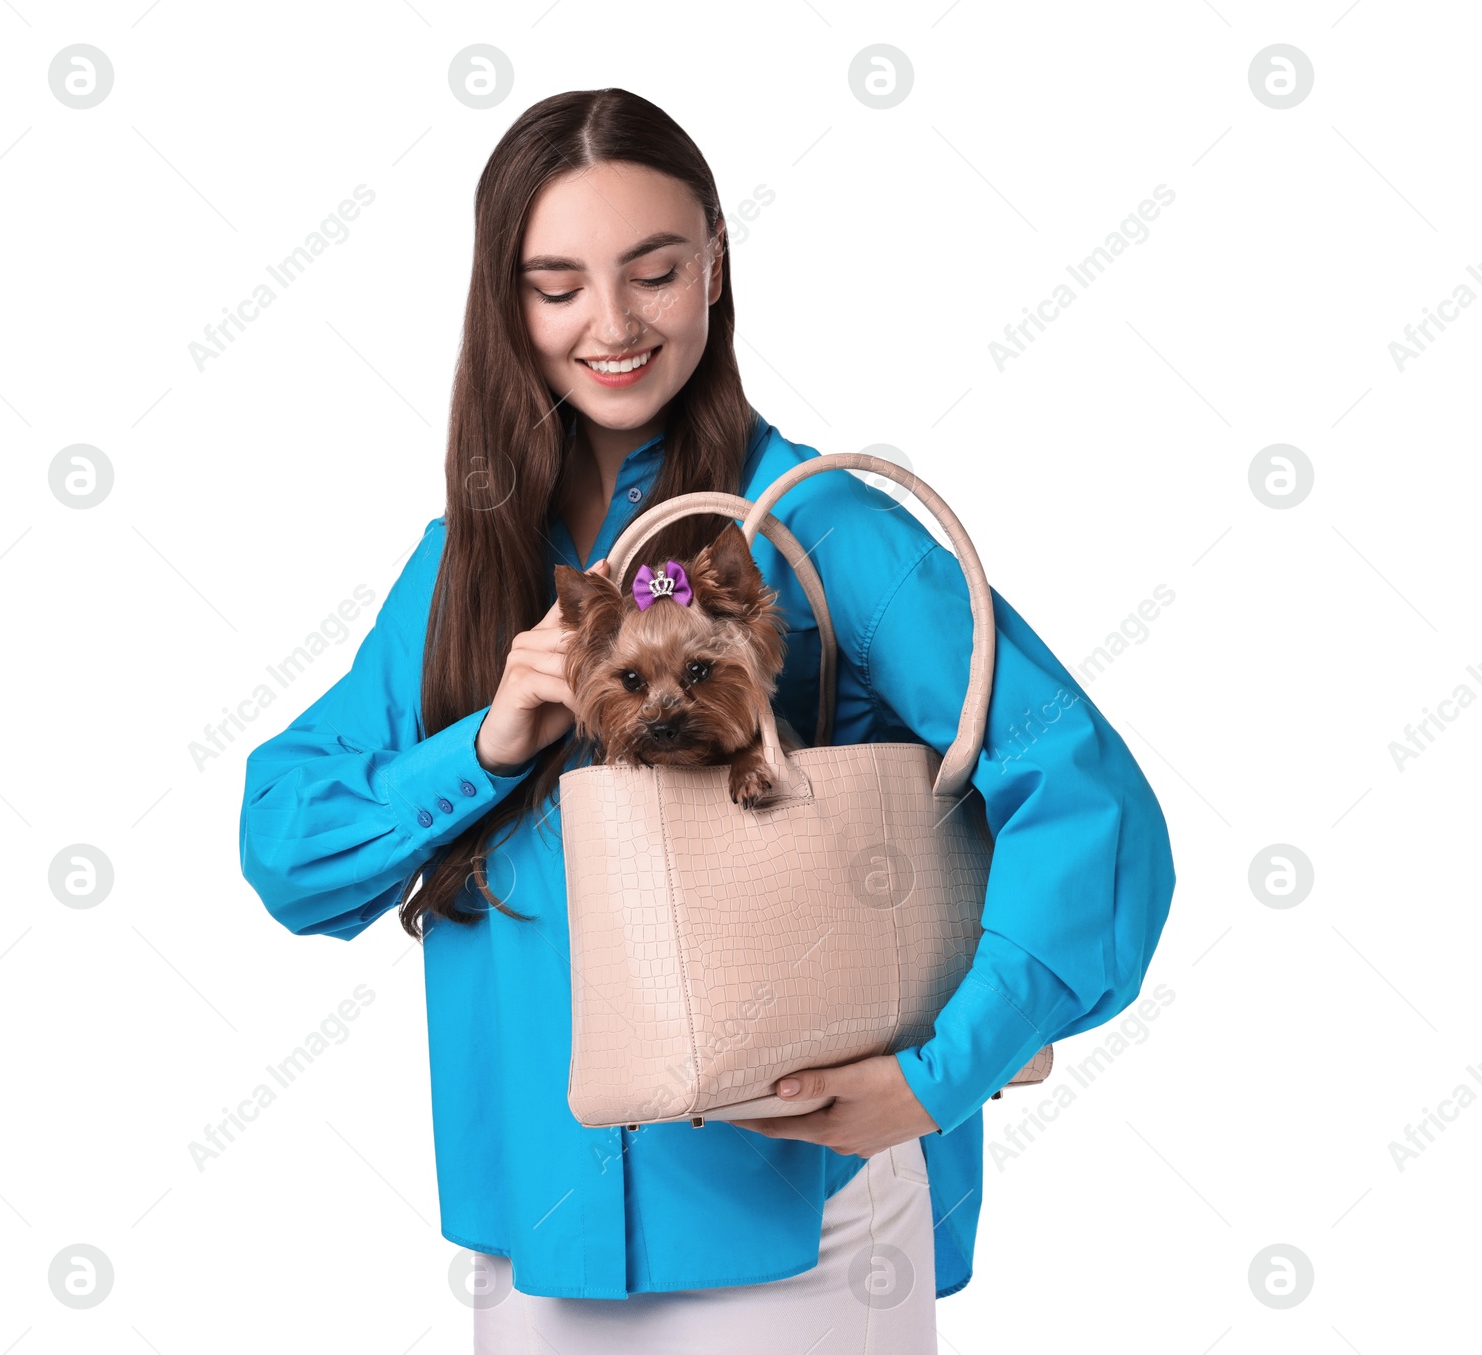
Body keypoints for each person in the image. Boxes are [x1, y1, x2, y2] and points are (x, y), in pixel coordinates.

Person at [238, 87, 1176, 1352]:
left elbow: (1084, 793)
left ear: (716, 264)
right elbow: (288, 849)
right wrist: (489, 741)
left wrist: (935, 1072)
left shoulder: (825, 529)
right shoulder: (462, 570)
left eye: (654, 271)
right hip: (533, 1239)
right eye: (556, 283)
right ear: (504, 301)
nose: (611, 325)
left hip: (806, 1222)